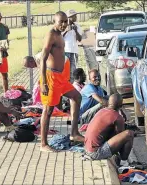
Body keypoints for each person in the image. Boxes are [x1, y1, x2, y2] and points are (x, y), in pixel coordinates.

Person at [39, 11, 84, 152]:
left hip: (61, 78)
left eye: (65, 21)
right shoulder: (51, 35)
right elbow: (43, 59)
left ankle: (74, 133)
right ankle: (43, 144)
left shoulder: (60, 34)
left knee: (77, 96)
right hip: (50, 78)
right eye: (61, 22)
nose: (64, 24)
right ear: (55, 21)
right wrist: (44, 83)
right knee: (48, 110)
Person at [84, 93, 134, 166]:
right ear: (121, 105)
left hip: (87, 149)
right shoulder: (117, 117)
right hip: (96, 153)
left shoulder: (101, 111)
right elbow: (120, 137)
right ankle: (124, 163)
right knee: (129, 134)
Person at [63, 9, 84, 83]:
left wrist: (75, 30)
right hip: (65, 51)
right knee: (65, 70)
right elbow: (59, 37)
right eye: (74, 16)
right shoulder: (63, 25)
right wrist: (66, 30)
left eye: (75, 15)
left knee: (73, 70)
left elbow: (80, 39)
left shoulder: (77, 25)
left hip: (74, 51)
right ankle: (65, 85)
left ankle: (70, 86)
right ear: (69, 17)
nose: (76, 17)